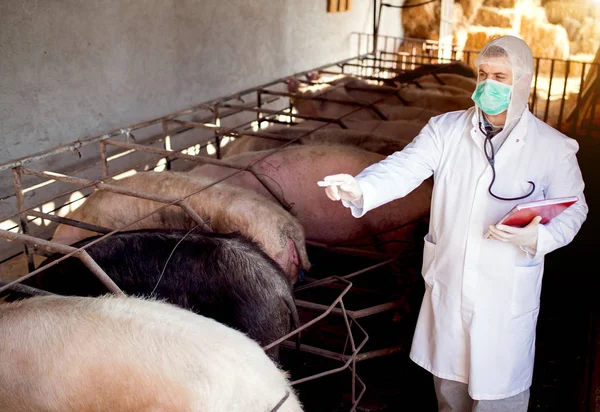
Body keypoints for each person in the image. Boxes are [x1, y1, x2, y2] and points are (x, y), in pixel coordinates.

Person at [320, 36, 588, 411]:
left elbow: (575, 210)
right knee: (449, 396)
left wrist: (538, 235)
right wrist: (361, 186)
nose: (488, 84)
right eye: (483, 74)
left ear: (523, 81)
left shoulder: (553, 147)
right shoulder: (445, 130)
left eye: (500, 76)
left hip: (504, 298)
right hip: (449, 290)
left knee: (500, 400)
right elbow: (404, 166)